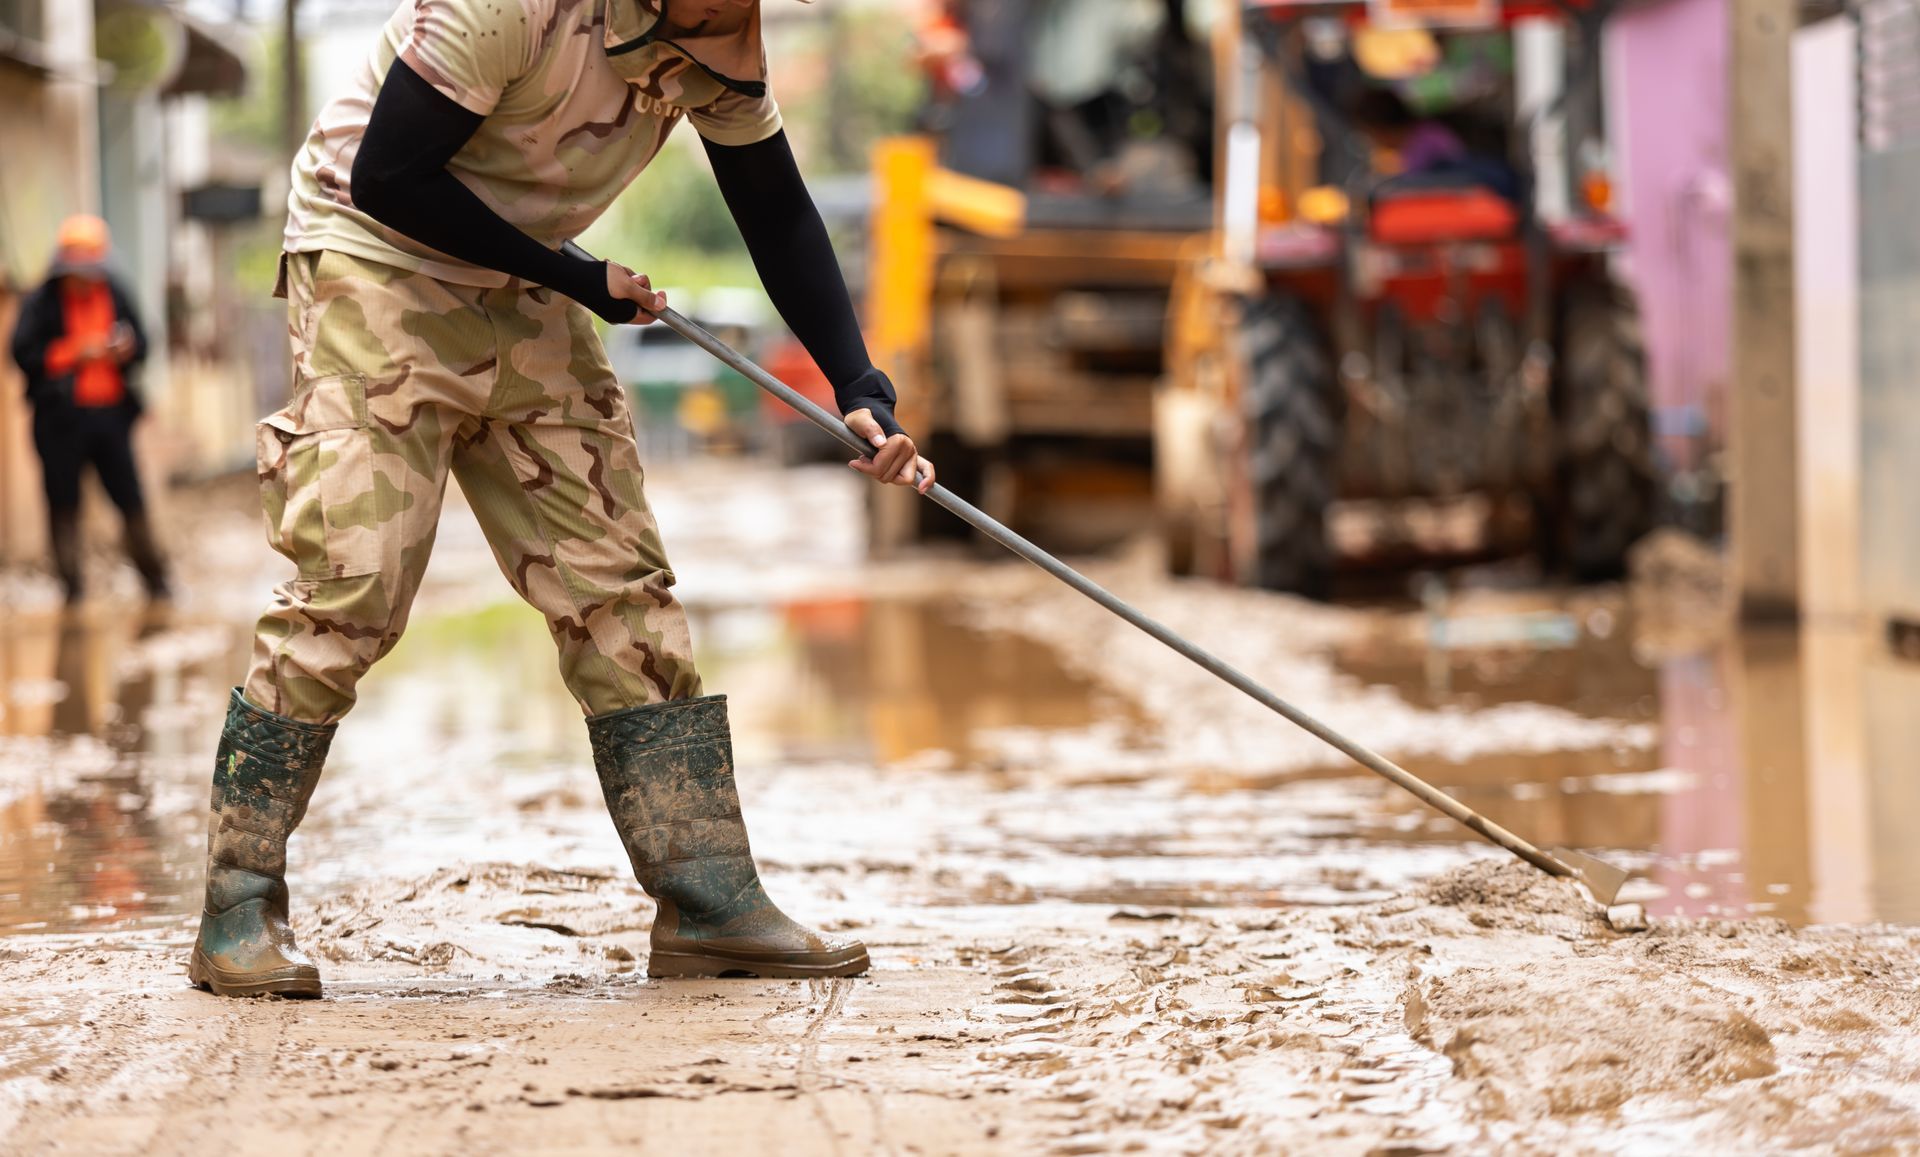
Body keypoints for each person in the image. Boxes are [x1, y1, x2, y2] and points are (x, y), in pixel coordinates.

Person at [189, 0, 935, 998]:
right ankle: (238, 898)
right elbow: (391, 175)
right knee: (352, 585)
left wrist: (860, 389)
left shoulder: (723, 40)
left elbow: (776, 208)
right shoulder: (512, 7)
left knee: (621, 588)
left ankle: (707, 897)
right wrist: (577, 275)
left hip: (524, 275)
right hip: (376, 256)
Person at [9, 215, 170, 605]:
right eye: (77, 270)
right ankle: (72, 588)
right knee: (63, 501)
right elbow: (20, 354)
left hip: (111, 416)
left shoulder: (113, 290)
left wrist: (127, 348)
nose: (85, 279)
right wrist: (73, 353)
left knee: (129, 498)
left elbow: (144, 341)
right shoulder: (42, 302)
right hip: (59, 420)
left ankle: (157, 581)